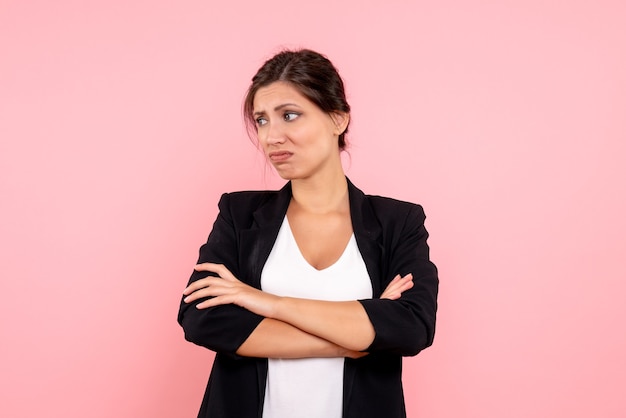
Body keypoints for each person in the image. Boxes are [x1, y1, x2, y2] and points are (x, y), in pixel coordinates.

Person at [178, 49, 438, 418]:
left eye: (289, 115)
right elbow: (202, 317)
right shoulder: (240, 214)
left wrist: (265, 302)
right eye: (262, 120)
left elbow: (411, 327)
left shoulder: (398, 221)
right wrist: (355, 340)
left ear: (337, 119)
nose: (271, 136)